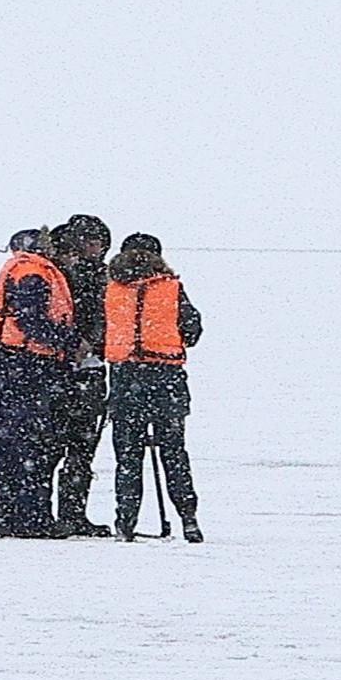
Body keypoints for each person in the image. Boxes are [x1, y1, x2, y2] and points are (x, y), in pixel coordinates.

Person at [99, 232, 204, 542]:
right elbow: (192, 329)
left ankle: (125, 522)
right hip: (166, 378)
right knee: (174, 452)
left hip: (125, 379)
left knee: (128, 458)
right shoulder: (172, 289)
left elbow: (100, 331)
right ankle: (188, 519)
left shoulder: (112, 290)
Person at [0, 229, 84, 537]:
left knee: (11, 446)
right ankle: (31, 519)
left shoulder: (22, 268)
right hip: (28, 366)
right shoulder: (33, 272)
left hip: (13, 365)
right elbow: (32, 321)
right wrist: (70, 342)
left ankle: (6, 517)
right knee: (32, 445)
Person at [46, 214, 116, 536]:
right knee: (73, 446)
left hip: (74, 369)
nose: (95, 248)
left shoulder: (62, 272)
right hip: (73, 369)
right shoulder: (82, 276)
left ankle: (66, 514)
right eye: (91, 241)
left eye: (99, 242)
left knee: (73, 447)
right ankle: (66, 514)